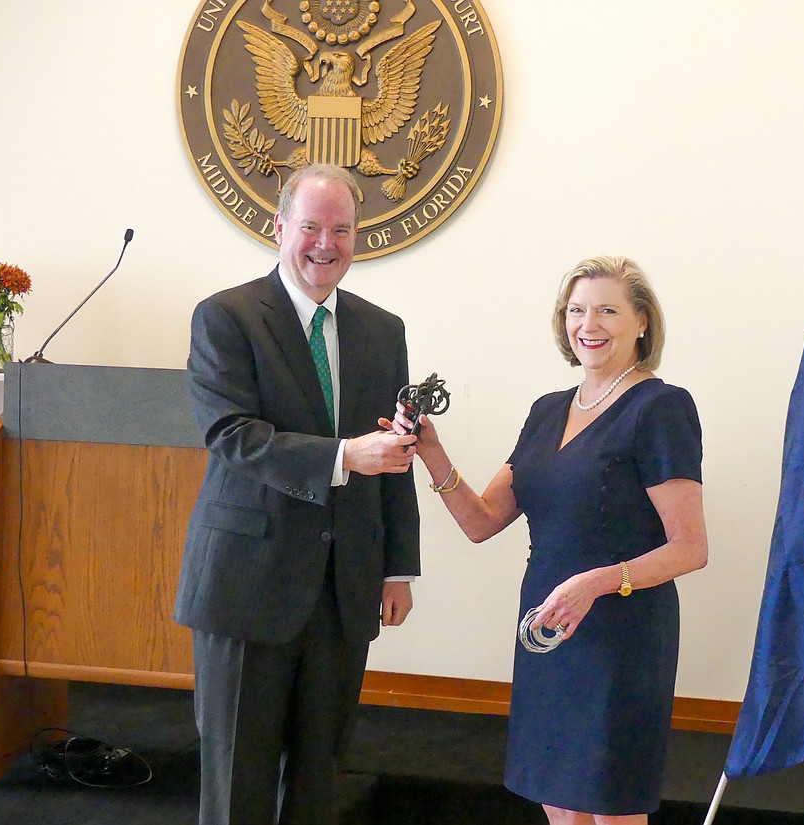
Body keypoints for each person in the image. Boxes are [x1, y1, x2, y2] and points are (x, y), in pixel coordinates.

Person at [390, 255, 708, 825]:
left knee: (611, 806)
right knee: (557, 800)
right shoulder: (546, 411)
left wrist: (598, 583)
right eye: (578, 310)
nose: (590, 323)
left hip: (620, 631)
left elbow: (690, 547)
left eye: (609, 310)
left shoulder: (661, 407)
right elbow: (482, 521)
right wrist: (431, 451)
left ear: (642, 323)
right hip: (547, 624)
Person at [174, 163, 421, 825]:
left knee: (319, 781)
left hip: (342, 592)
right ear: (280, 226)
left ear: (357, 234)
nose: (325, 243)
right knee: (238, 784)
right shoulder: (225, 317)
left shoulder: (383, 330)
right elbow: (231, 434)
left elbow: (396, 451)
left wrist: (397, 566)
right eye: (310, 226)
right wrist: (343, 456)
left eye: (341, 229)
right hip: (246, 588)